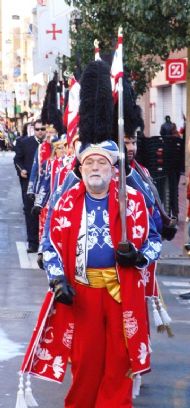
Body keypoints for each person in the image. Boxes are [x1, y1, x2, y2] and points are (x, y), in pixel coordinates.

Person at [13, 119, 46, 252]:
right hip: (29, 184)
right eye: (37, 129)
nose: (40, 132)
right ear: (33, 129)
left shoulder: (51, 144)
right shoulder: (24, 142)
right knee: (30, 212)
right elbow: (17, 159)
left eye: (42, 129)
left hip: (45, 183)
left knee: (45, 212)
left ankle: (45, 242)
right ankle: (33, 243)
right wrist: (21, 170)